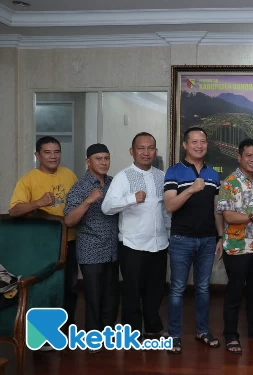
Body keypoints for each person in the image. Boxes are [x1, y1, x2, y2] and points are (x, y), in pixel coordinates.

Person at [8, 136, 79, 339]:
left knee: (69, 287)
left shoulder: (69, 174)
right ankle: (42, 335)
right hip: (42, 246)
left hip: (69, 241)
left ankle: (66, 330)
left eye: (56, 152)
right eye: (47, 152)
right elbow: (13, 210)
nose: (53, 156)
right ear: (37, 155)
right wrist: (38, 202)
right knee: (44, 289)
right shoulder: (29, 179)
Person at [101, 132, 170, 338]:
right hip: (133, 245)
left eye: (150, 148)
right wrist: (132, 198)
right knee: (132, 292)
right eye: (141, 148)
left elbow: (165, 211)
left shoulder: (161, 176)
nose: (146, 152)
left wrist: (170, 234)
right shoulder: (123, 177)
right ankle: (131, 333)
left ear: (156, 152)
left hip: (159, 244)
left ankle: (152, 327)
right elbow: (107, 207)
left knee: (155, 291)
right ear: (132, 151)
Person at [163, 127, 223, 353]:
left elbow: (217, 209)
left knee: (204, 288)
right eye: (195, 142)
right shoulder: (174, 172)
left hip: (208, 240)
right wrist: (191, 189)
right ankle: (175, 335)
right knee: (178, 289)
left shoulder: (213, 174)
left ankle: (203, 331)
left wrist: (220, 236)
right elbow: (170, 206)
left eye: (203, 142)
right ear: (185, 145)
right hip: (181, 239)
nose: (200, 146)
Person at [217, 138, 253, 354]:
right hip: (237, 248)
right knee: (234, 294)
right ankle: (231, 335)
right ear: (239, 157)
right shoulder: (230, 183)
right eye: (248, 156)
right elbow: (228, 216)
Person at [64, 144, 119, 352]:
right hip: (91, 249)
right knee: (94, 296)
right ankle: (93, 339)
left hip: (113, 248)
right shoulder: (80, 187)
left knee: (111, 295)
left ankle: (108, 334)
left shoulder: (114, 183)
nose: (103, 162)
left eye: (106, 158)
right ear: (88, 161)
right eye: (98, 158)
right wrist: (88, 201)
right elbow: (69, 220)